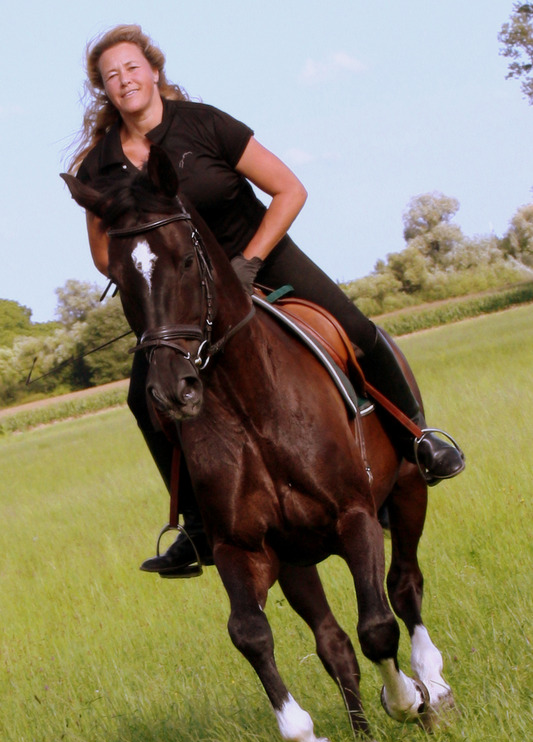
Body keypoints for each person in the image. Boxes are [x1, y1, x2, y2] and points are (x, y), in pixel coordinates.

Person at [69, 25, 465, 577]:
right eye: (113, 76)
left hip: (259, 253)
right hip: (185, 297)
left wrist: (249, 262)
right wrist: (161, 287)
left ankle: (418, 441)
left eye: (132, 68)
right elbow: (102, 252)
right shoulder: (99, 164)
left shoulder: (206, 123)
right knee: (144, 395)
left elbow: (289, 188)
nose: (125, 80)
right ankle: (197, 526)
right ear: (104, 91)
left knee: (356, 328)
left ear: (153, 70)